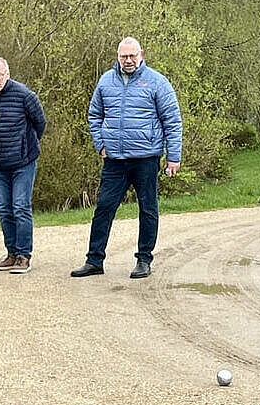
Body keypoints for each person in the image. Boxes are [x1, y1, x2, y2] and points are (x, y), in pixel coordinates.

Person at [70, 36, 182, 279]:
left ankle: (144, 259)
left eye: (132, 56)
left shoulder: (156, 82)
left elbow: (172, 121)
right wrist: (100, 144)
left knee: (148, 209)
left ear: (141, 54)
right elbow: (94, 114)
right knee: (104, 208)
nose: (128, 60)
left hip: (146, 158)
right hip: (114, 160)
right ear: (118, 57)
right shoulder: (106, 81)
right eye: (124, 56)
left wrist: (173, 157)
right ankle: (94, 260)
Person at [0, 57, 46, 274]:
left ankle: (24, 256)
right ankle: (11, 253)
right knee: (4, 209)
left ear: (7, 74)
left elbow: (40, 123)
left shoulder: (25, 95)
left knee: (20, 207)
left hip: (23, 161)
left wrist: (26, 145)